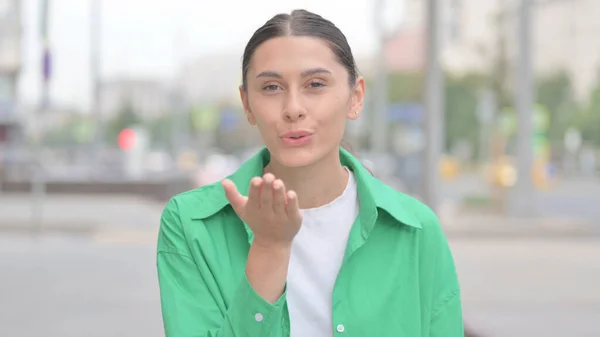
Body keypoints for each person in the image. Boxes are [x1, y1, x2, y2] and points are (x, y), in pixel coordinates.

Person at [157, 9, 464, 337]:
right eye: (272, 87)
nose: (293, 108)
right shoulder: (191, 225)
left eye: (315, 84)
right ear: (247, 104)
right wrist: (270, 248)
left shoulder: (416, 230)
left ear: (355, 97)